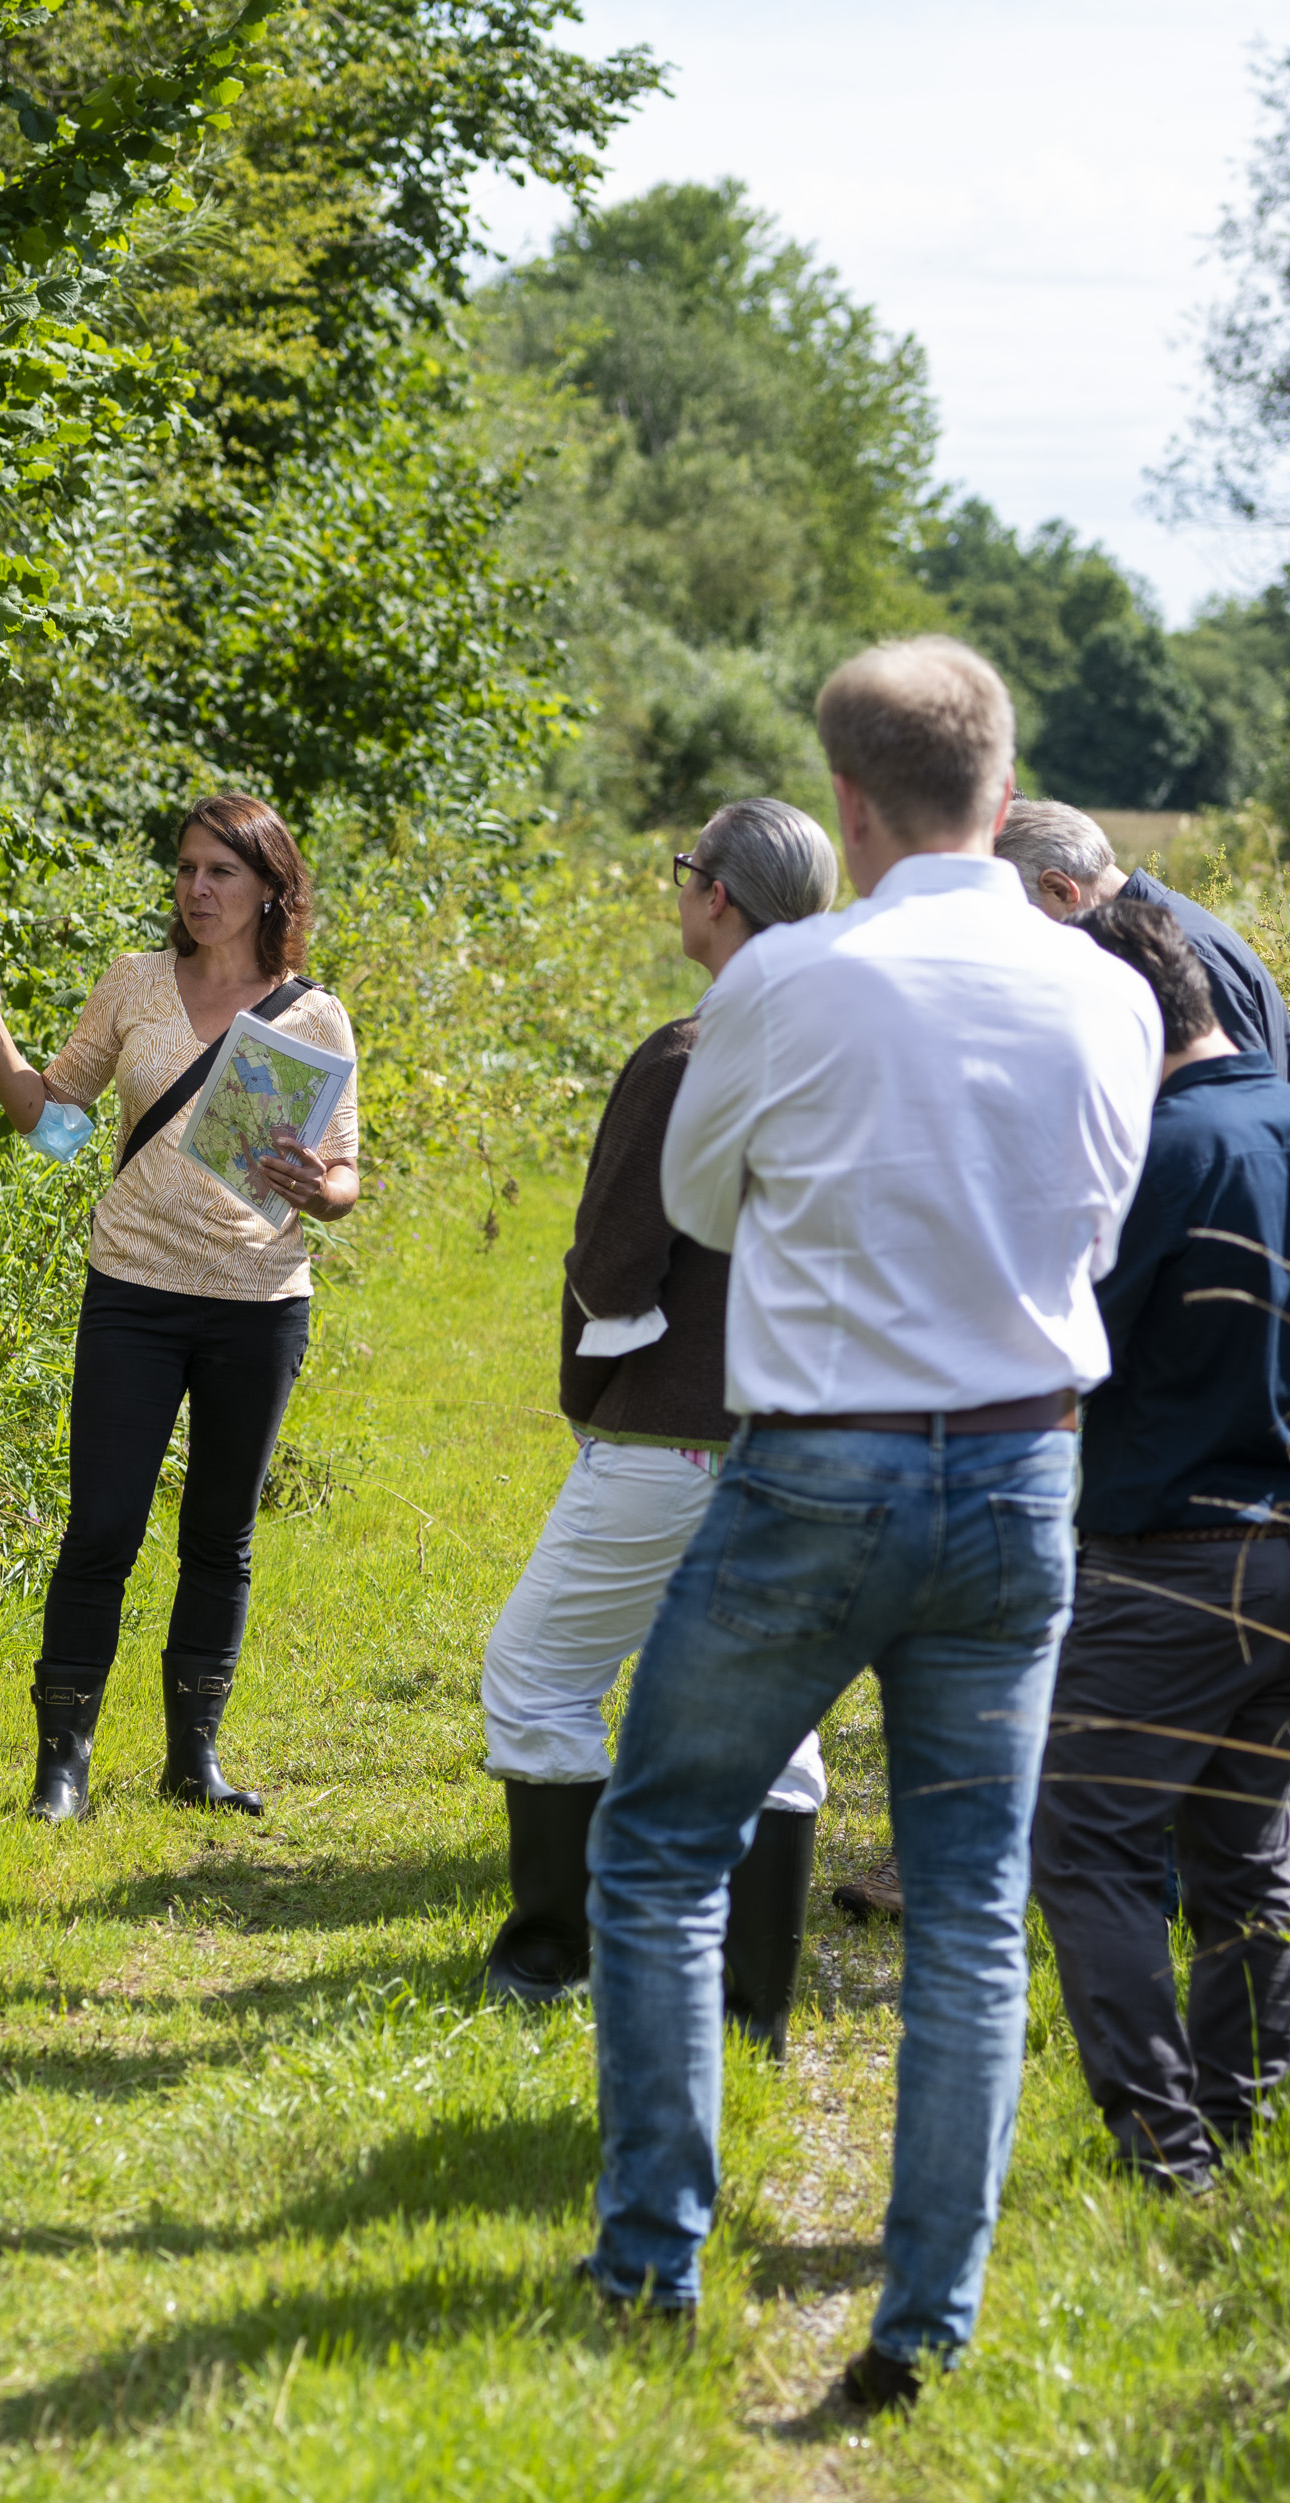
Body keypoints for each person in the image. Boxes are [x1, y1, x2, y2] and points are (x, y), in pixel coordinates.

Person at [573, 639, 1161, 2419]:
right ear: (1004, 786)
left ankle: (651, 2258)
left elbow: (695, 1201)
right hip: (1018, 1466)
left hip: (815, 1457)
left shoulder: (789, 985)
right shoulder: (1107, 996)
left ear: (840, 802)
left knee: (662, 1839)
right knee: (973, 1903)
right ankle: (924, 2314)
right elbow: (1098, 1227)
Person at [1026, 891, 1290, 2191]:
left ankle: (1165, 2151)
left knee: (1086, 1844)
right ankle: (1236, 2128)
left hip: (1174, 1564)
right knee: (1244, 1858)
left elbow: (1066, 1354)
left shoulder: (1154, 1157)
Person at [0, 796, 360, 1822]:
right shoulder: (135, 983)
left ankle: (191, 1760)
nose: (197, 889)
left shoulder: (312, 1016)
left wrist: (310, 1186)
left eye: (221, 873)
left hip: (258, 1302)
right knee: (102, 1524)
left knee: (220, 1533)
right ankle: (59, 1767)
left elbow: (343, 1180)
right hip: (135, 1294)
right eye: (188, 868)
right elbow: (55, 1128)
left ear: (269, 890)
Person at [478, 799, 838, 2047]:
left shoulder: (692, 1053)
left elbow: (615, 1257)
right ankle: (755, 2009)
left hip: (676, 1431)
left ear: (721, 898)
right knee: (771, 1710)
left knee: (537, 1675)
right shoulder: (853, 1052)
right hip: (811, 1433)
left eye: (689, 871)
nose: (681, 889)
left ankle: (551, 1955)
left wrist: (593, 1390)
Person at [993, 798, 1290, 1088]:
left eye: (1022, 916)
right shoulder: (1154, 939)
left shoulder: (1179, 954)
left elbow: (1240, 1109)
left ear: (1060, 889)